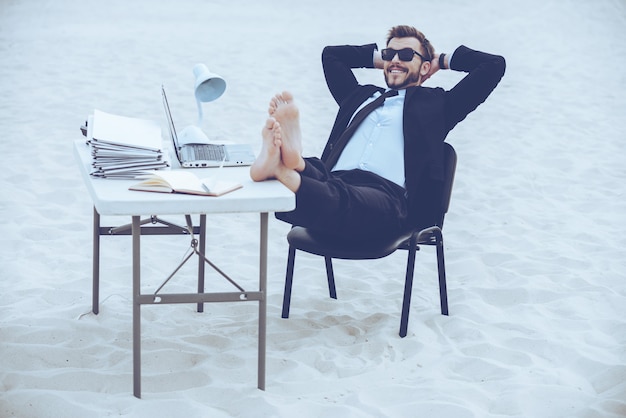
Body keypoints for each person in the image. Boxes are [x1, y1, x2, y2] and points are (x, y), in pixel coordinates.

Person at [250, 25, 505, 241]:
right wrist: (392, 60)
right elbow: (331, 56)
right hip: (331, 177)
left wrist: (442, 60)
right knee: (322, 178)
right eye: (389, 54)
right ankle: (295, 163)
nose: (395, 60)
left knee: (339, 197)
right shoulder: (360, 96)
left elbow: (493, 66)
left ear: (425, 68)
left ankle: (285, 170)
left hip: (387, 198)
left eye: (406, 54)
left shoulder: (439, 106)